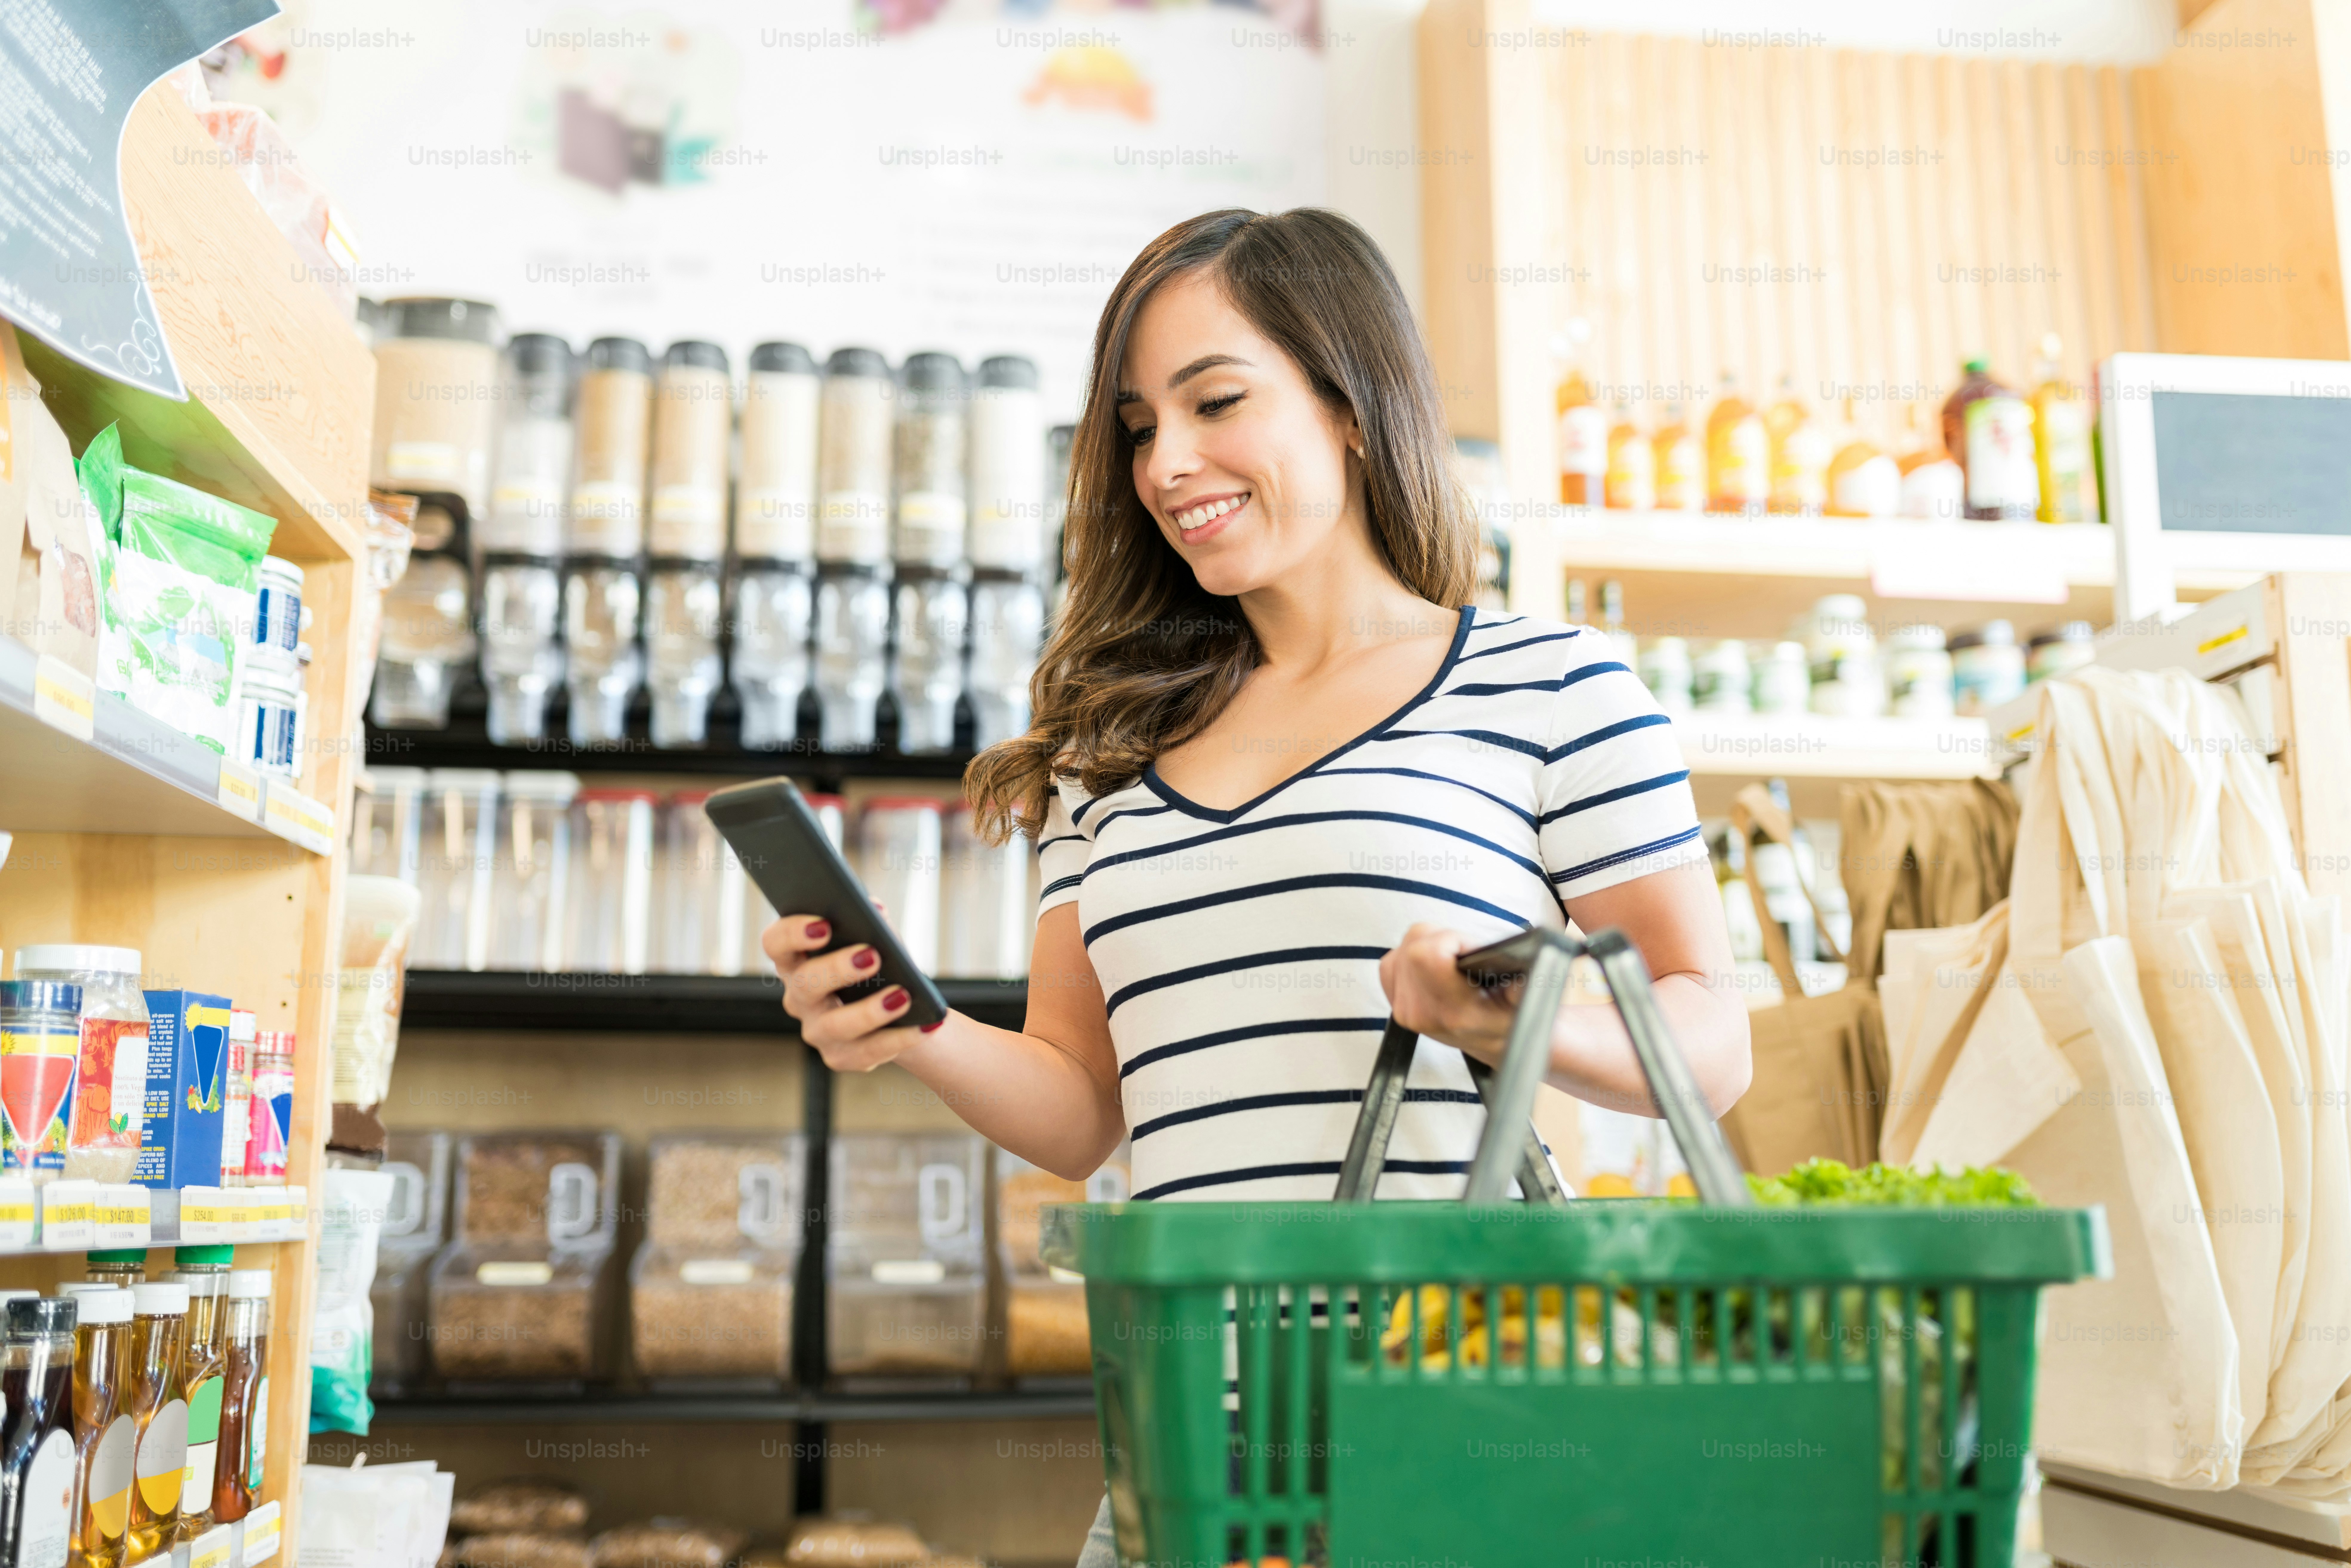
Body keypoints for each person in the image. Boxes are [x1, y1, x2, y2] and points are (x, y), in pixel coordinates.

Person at [764, 207, 1750, 1561]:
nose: (1168, 463)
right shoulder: (1105, 750)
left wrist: (1504, 1019)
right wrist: (915, 1032)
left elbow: (1708, 1036)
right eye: (1135, 427)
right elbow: (1076, 1110)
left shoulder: (1551, 686)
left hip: (1457, 1432)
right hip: (1185, 1457)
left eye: (1215, 401)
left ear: (1350, 404)